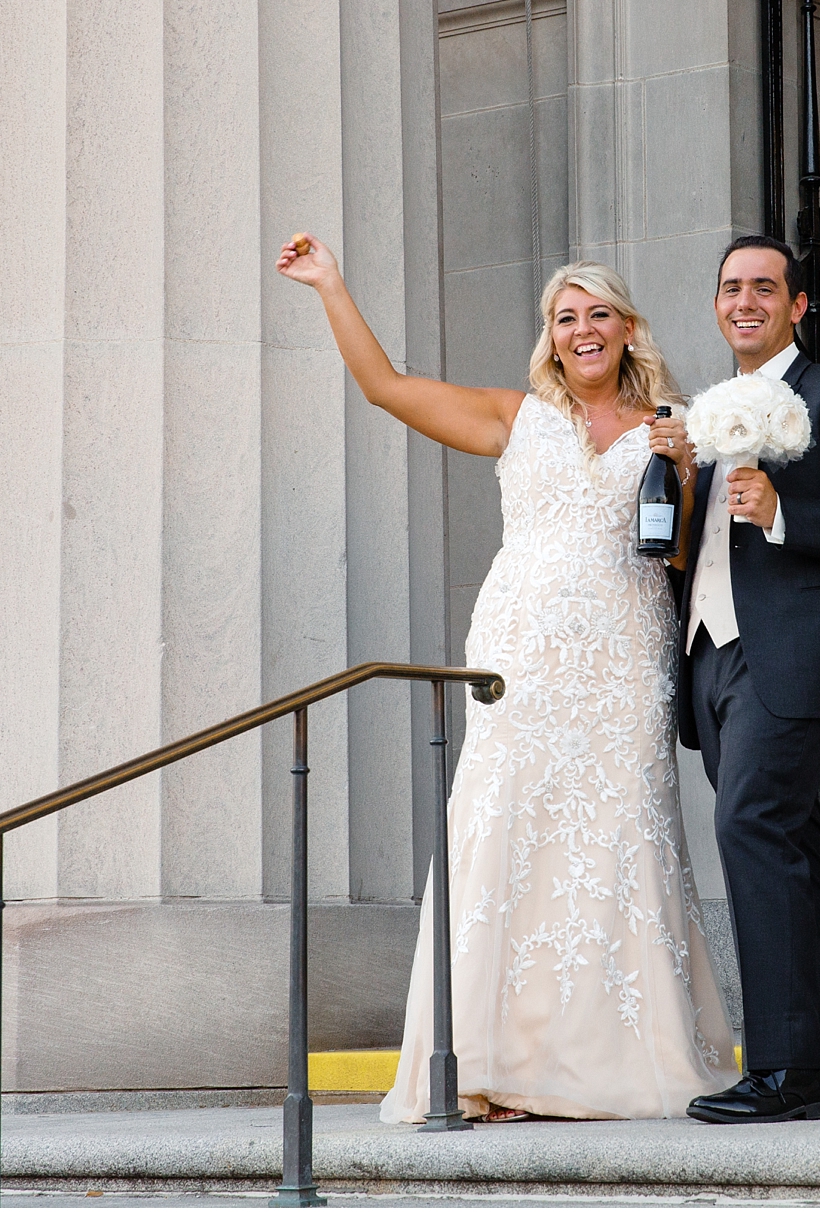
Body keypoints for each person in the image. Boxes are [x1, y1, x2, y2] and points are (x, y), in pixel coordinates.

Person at [274, 233, 738, 1123]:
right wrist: (331, 281)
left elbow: (685, 557)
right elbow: (385, 387)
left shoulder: (675, 426)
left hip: (623, 659)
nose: (582, 328)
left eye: (598, 312)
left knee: (616, 839)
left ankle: (611, 1061)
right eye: (565, 318)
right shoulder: (513, 416)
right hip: (521, 658)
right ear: (551, 338)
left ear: (629, 328)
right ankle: (490, 1063)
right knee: (507, 838)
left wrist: (683, 467)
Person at [667, 235, 820, 1124]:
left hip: (791, 654)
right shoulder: (701, 412)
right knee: (794, 846)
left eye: (764, 288)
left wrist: (781, 512)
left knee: (750, 827)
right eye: (731, 288)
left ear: (798, 305)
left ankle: (784, 1069)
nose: (745, 301)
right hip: (710, 652)